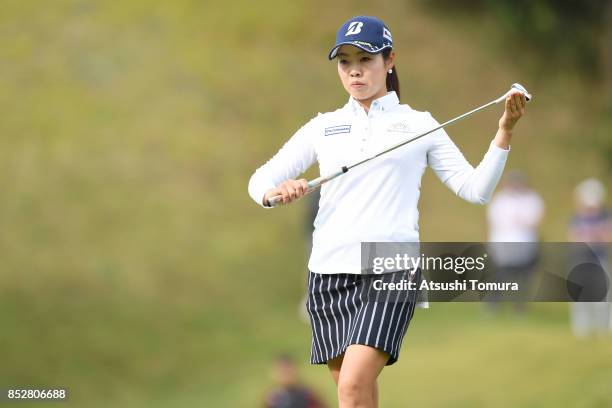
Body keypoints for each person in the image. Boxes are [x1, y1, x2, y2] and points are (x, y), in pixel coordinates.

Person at [248, 16, 527, 408]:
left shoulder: (419, 124)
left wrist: (505, 131)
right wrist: (274, 192)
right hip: (328, 275)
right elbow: (260, 180)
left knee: (351, 388)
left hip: (391, 267)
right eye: (345, 62)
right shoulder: (323, 127)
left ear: (390, 60)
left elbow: (475, 189)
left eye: (365, 59)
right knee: (359, 394)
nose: (355, 70)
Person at [486, 170, 544, 311]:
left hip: (525, 244)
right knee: (498, 276)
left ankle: (519, 307)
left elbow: (534, 221)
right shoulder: (500, 200)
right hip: (502, 244)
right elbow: (495, 221)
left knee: (523, 278)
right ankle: (493, 305)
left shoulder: (532, 199)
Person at [568, 178, 611, 338]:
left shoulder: (606, 217)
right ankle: (581, 331)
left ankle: (602, 330)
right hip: (580, 261)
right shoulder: (577, 218)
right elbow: (573, 239)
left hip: (599, 260)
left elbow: (607, 238)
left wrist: (595, 235)